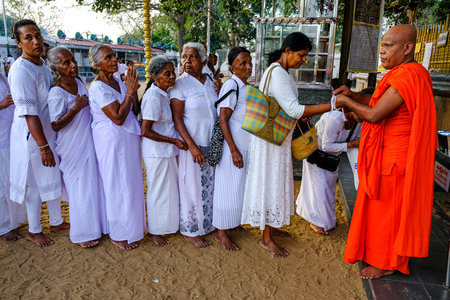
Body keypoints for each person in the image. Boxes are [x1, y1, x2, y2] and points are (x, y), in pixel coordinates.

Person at [336, 25, 437, 279]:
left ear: (407, 48)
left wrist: (346, 102)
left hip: (396, 159)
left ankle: (388, 263)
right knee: (380, 211)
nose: (381, 51)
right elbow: (377, 104)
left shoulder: (407, 76)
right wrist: (354, 96)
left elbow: (375, 114)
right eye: (381, 45)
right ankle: (378, 255)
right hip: (388, 155)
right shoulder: (407, 73)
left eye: (388, 46)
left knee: (389, 214)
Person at [241, 32, 332, 257]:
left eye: (306, 56)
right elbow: (294, 110)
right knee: (271, 183)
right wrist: (332, 105)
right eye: (301, 55)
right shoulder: (279, 73)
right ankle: (266, 238)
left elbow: (288, 108)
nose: (304, 60)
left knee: (274, 182)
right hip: (271, 142)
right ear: (287, 51)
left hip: (276, 139)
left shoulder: (281, 72)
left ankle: (271, 227)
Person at [8, 19, 69, 247]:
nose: (36, 41)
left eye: (38, 36)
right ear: (18, 43)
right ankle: (34, 230)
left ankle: (56, 220)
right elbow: (29, 114)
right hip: (33, 136)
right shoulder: (21, 70)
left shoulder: (42, 64)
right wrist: (43, 147)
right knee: (35, 184)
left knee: (51, 177)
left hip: (46, 132)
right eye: (28, 38)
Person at [46, 46, 107, 248]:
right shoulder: (56, 92)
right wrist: (75, 108)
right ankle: (81, 234)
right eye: (66, 63)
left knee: (91, 185)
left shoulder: (81, 82)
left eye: (72, 60)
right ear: (56, 69)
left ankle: (95, 226)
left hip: (89, 140)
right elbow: (55, 124)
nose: (73, 65)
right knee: (79, 188)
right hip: (71, 146)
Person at [88, 43, 145, 250]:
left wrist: (133, 90)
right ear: (96, 64)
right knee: (115, 185)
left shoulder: (117, 82)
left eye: (114, 56)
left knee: (130, 183)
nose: (114, 60)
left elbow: (133, 110)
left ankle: (132, 228)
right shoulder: (98, 87)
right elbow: (118, 118)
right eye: (108, 58)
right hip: (111, 141)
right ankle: (118, 233)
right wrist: (129, 91)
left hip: (127, 139)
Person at [170, 42, 218, 248]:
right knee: (191, 185)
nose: (187, 61)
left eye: (193, 57)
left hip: (212, 142)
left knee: (209, 185)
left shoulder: (210, 81)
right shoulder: (180, 84)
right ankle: (191, 229)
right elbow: (178, 119)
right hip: (193, 144)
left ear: (204, 61)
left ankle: (207, 224)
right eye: (184, 57)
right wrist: (192, 146)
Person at [141, 56, 187, 246]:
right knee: (157, 191)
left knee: (167, 190)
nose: (172, 76)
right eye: (166, 74)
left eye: (172, 72)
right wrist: (174, 140)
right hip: (157, 152)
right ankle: (154, 231)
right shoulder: (153, 97)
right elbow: (145, 131)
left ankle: (165, 226)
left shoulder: (163, 93)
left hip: (166, 151)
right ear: (155, 76)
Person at [212, 47, 252, 251]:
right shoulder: (231, 85)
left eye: (249, 62)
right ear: (232, 67)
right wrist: (233, 149)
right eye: (242, 63)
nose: (248, 66)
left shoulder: (245, 86)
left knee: (237, 187)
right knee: (226, 188)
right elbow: (222, 118)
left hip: (243, 146)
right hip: (232, 148)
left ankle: (233, 222)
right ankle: (221, 233)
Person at [296, 110, 360, 235]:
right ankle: (316, 221)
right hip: (317, 154)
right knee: (319, 188)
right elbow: (326, 146)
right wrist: (351, 144)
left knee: (327, 189)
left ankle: (320, 218)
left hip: (331, 159)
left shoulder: (359, 121)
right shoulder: (334, 119)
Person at [0, 72, 26, 241]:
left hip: (10, 136)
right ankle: (4, 227)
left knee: (11, 181)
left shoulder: (2, 76)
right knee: (2, 185)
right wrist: (1, 105)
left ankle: (12, 221)